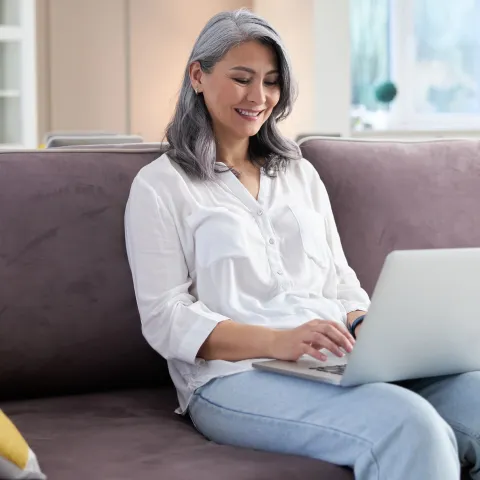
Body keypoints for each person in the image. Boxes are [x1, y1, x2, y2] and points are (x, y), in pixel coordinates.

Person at [124, 9, 480, 480]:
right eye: (241, 78)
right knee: (408, 425)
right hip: (234, 379)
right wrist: (280, 341)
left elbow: (340, 278)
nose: (259, 97)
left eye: (271, 82)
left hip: (336, 361)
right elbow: (166, 319)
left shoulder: (299, 173)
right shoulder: (159, 187)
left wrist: (361, 320)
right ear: (198, 76)